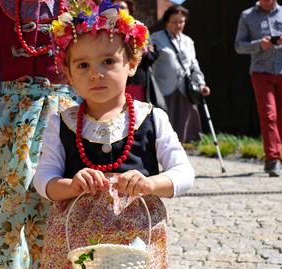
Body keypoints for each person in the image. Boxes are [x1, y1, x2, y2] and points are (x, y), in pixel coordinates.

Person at [33, 1, 194, 267]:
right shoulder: (61, 123)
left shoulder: (152, 118)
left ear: (131, 64)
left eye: (108, 61)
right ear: (69, 74)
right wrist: (72, 185)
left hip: (137, 238)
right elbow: (43, 179)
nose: (96, 74)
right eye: (83, 65)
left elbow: (184, 173)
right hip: (75, 239)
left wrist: (150, 183)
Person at [0, 0, 78, 268]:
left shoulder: (81, 10)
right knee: (5, 209)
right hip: (7, 127)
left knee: (57, 208)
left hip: (62, 120)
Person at [235, 0, 282, 177]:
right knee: (269, 116)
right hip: (261, 72)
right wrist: (259, 44)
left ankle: (273, 159)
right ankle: (274, 159)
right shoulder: (247, 16)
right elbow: (238, 46)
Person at [151, 5, 210, 143]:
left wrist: (201, 83)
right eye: (175, 22)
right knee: (164, 127)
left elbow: (194, 65)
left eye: (181, 22)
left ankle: (180, 154)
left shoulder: (188, 41)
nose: (179, 25)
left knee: (183, 127)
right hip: (164, 89)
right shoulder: (155, 38)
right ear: (167, 22)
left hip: (184, 90)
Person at [112, 0, 167, 110]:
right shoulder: (105, 29)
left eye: (123, 7)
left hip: (138, 80)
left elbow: (152, 57)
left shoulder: (139, 29)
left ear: (129, 10)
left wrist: (143, 50)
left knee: (137, 115)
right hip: (113, 80)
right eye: (115, 7)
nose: (119, 10)